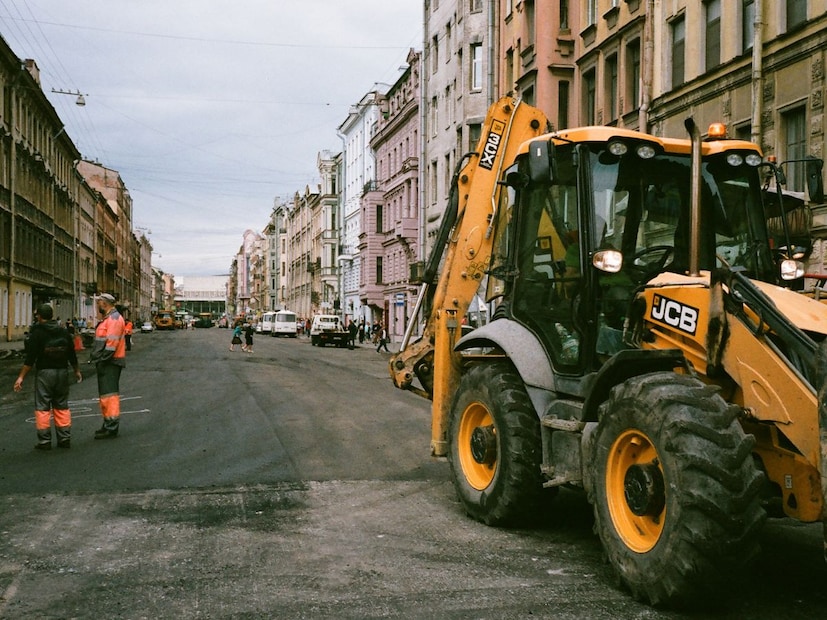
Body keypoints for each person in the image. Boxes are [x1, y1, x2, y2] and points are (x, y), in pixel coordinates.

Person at [13, 303, 82, 450]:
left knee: (43, 406)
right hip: (62, 372)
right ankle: (64, 438)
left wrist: (21, 377)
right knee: (62, 405)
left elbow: (30, 358)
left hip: (45, 373)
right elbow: (71, 353)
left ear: (39, 316)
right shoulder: (63, 331)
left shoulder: (37, 333)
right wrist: (76, 370)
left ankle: (45, 441)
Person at [90, 293, 126, 439]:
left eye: (98, 303)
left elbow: (111, 344)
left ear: (104, 304)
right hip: (107, 361)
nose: (97, 306)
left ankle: (111, 427)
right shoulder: (109, 319)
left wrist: (103, 359)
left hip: (110, 362)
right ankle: (107, 424)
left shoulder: (114, 319)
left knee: (110, 396)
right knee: (105, 396)